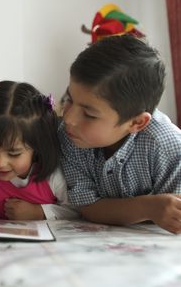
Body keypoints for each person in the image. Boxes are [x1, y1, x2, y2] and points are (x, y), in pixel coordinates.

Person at [59, 34, 181, 233]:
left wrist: (160, 210)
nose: (68, 118)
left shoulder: (168, 147)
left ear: (137, 122)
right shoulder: (70, 137)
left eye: (89, 114)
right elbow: (88, 207)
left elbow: (175, 218)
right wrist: (149, 207)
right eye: (69, 99)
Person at [0, 80, 79, 223]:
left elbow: (75, 210)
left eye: (14, 154)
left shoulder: (53, 175)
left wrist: (39, 212)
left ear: (37, 146)